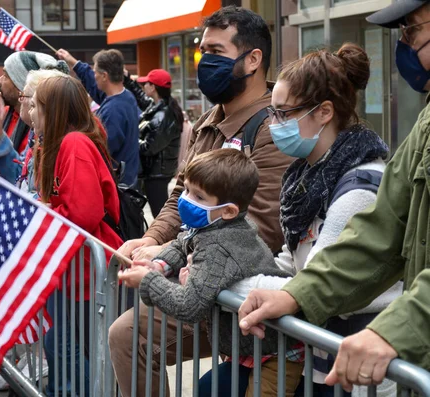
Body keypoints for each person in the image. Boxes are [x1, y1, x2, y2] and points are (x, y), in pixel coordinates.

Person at [238, 1, 430, 393]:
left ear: (324, 112)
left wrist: (395, 330)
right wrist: (296, 294)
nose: (405, 45)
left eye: (412, 30)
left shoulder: (356, 181)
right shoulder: (425, 122)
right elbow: (381, 233)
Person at [198, 43, 401, 397]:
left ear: (324, 112)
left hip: (358, 364)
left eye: (282, 114)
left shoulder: (358, 188)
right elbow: (289, 264)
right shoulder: (306, 176)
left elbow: (314, 283)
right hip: (323, 353)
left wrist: (215, 279)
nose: (273, 124)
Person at [111, 149, 294, 397]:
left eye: (199, 196)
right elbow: (183, 242)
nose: (185, 199)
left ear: (229, 210)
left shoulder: (219, 248)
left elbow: (189, 305)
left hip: (275, 354)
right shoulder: (215, 225)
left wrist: (149, 281)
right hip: (245, 346)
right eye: (186, 189)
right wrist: (159, 265)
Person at [118, 5, 292, 262]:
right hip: (191, 271)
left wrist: (174, 252)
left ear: (253, 59)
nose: (206, 61)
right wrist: (151, 239)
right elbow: (180, 195)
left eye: (217, 52)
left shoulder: (274, 129)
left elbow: (263, 227)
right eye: (204, 51)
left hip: (236, 288)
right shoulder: (207, 122)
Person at [28, 75, 124, 396]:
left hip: (88, 274)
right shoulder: (59, 143)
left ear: (53, 111)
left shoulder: (74, 143)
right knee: (65, 346)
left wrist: (41, 216)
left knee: (78, 350)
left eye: (36, 105)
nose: (30, 112)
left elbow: (84, 213)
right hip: (75, 270)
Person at [56, 48, 140, 187]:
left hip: (117, 185)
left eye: (95, 72)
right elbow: (95, 88)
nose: (93, 75)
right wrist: (74, 63)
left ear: (104, 76)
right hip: (127, 180)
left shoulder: (113, 111)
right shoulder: (125, 97)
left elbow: (101, 150)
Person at [123, 69, 183, 217]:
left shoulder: (163, 117)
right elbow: (141, 97)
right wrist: (127, 80)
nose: (144, 87)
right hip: (156, 171)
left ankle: (166, 239)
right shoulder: (159, 106)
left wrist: (131, 137)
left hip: (157, 174)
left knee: (161, 214)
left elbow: (149, 148)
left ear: (153, 87)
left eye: (146, 84)